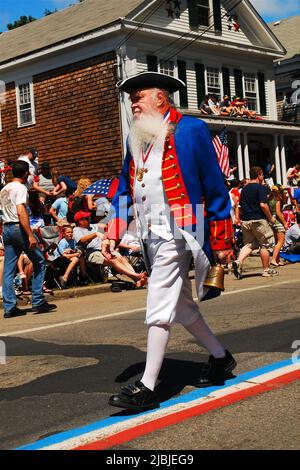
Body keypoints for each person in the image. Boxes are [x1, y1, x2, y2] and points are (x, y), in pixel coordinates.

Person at [102, 71, 236, 411]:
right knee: (181, 306)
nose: (132, 102)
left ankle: (148, 387)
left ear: (161, 99)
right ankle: (221, 358)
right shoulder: (137, 135)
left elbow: (214, 185)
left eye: (139, 96)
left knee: (159, 300)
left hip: (182, 226)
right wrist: (113, 231)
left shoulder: (191, 130)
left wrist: (221, 238)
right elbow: (124, 187)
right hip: (150, 230)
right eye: (130, 97)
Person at [0, 160, 57, 318]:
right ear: (25, 173)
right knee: (39, 261)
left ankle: (10, 307)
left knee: (9, 270)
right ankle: (38, 301)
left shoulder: (4, 189)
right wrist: (30, 235)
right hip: (19, 228)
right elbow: (20, 211)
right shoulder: (21, 188)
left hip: (7, 228)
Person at [73, 211, 147, 286]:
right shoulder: (76, 230)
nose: (89, 218)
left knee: (122, 259)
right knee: (112, 261)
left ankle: (137, 279)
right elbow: (82, 240)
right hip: (92, 252)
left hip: (105, 248)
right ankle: (136, 277)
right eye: (86, 218)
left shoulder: (93, 226)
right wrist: (95, 234)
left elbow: (108, 225)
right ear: (80, 221)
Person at [232, 166, 277, 279]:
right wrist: (271, 218)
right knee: (265, 244)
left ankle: (238, 261)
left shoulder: (244, 189)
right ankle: (266, 270)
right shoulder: (260, 188)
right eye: (262, 175)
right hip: (258, 220)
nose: (263, 177)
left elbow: (240, 206)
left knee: (249, 244)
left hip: (246, 220)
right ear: (259, 175)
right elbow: (263, 204)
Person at [268, 186, 287, 267]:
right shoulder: (277, 200)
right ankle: (273, 259)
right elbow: (279, 212)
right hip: (277, 222)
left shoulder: (270, 199)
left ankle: (277, 260)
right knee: (280, 241)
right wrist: (284, 222)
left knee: (277, 241)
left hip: (272, 221)